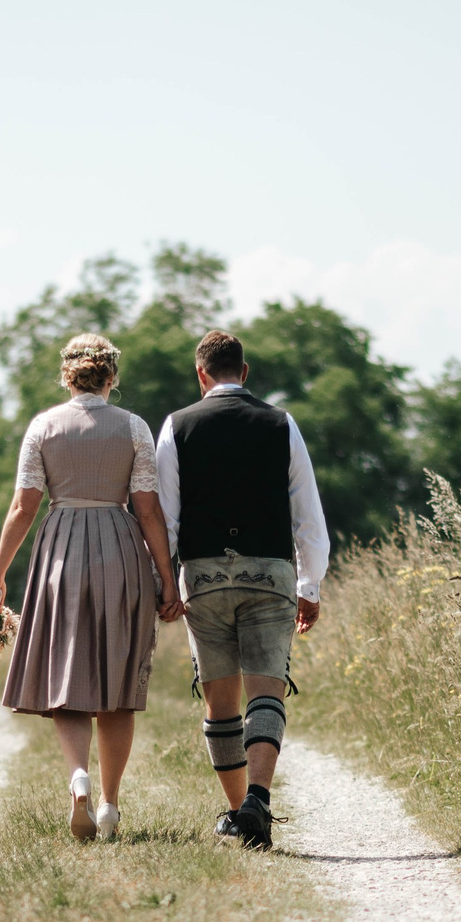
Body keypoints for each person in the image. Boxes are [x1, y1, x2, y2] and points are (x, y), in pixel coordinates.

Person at [0, 333, 185, 841]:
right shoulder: (134, 427)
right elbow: (147, 509)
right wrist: (166, 576)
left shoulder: (43, 426)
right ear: (111, 377)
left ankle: (78, 779)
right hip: (120, 548)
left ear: (66, 375)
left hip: (61, 553)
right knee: (118, 685)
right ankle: (111, 806)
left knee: (65, 673)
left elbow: (24, 506)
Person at [153, 328, 330, 850]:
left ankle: (239, 812)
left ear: (200, 374)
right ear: (245, 373)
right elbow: (308, 510)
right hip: (269, 572)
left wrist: (166, 583)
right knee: (266, 691)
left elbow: (165, 516)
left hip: (203, 577)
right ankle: (258, 801)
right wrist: (310, 583)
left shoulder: (177, 425)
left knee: (220, 702)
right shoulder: (281, 423)